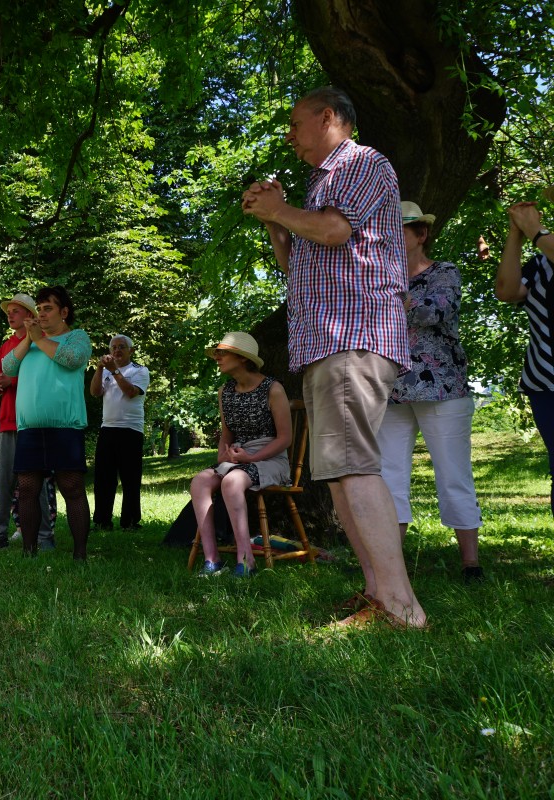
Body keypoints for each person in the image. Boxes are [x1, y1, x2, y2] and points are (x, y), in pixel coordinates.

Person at [242, 86, 426, 628]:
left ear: (328, 118)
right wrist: (276, 220)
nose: (290, 136)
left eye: (296, 123)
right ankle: (378, 596)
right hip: (325, 339)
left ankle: (399, 605)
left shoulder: (363, 161)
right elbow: (297, 259)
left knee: (355, 467)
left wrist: (282, 208)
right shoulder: (322, 181)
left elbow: (333, 230)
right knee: (341, 472)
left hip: (352, 333)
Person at [377, 202, 484, 580]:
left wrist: (389, 298)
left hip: (443, 389)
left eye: (399, 230)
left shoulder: (445, 273)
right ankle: (391, 566)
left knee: (453, 474)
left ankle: (471, 563)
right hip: (389, 390)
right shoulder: (376, 276)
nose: (389, 238)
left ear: (421, 234)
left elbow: (434, 312)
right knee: (388, 477)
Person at [189, 333, 292, 576]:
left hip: (270, 458)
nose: (217, 356)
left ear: (243, 359)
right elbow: (227, 433)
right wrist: (223, 456)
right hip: (237, 458)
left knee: (232, 482)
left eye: (223, 352)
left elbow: (285, 438)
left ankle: (246, 561)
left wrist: (250, 458)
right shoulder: (225, 391)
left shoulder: (273, 388)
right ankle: (212, 560)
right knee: (200, 481)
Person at [1, 286, 92, 559]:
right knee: (27, 488)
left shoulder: (77, 337)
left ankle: (80, 554)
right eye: (39, 309)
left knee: (72, 487)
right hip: (29, 428)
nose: (41, 313)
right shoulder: (28, 342)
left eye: (47, 308)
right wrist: (30, 339)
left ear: (64, 312)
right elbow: (7, 367)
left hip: (66, 426)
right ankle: (29, 553)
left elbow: (72, 360)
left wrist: (38, 338)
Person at [496, 199, 554, 519]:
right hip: (545, 383)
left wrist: (533, 229)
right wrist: (515, 235)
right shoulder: (540, 261)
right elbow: (507, 290)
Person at [0, 294, 54, 550]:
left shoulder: (42, 341)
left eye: (16, 311)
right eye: (8, 311)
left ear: (29, 315)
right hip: (8, 421)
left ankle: (45, 536)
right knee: (4, 482)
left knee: (37, 481)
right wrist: (0, 382)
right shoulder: (5, 347)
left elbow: (43, 379)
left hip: (35, 421)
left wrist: (10, 381)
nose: (10, 315)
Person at [90, 335, 150, 531]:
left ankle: (130, 521)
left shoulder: (140, 371)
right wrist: (99, 368)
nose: (117, 351)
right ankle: (102, 520)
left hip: (131, 429)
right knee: (103, 479)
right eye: (113, 347)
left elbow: (131, 392)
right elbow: (95, 392)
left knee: (130, 478)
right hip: (107, 428)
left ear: (131, 351)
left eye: (122, 347)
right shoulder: (107, 372)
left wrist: (114, 371)